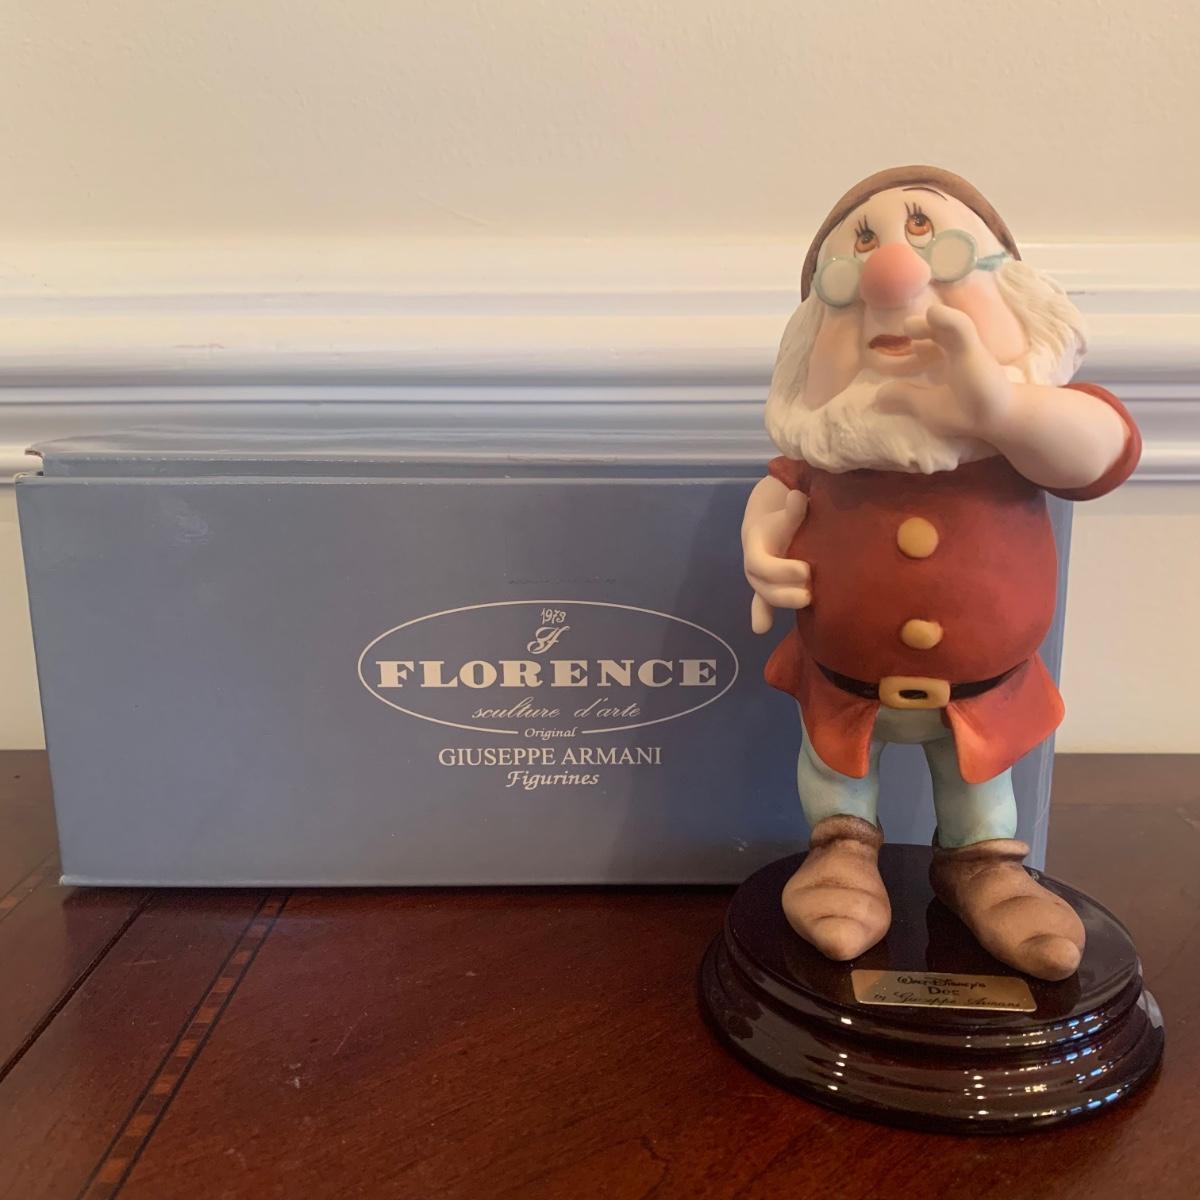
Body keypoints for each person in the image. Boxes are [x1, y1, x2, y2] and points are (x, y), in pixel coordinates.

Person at [743, 165, 1140, 980]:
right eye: (851, 281)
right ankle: (840, 854)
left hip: (984, 690)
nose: (895, 281)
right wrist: (761, 538)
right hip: (842, 683)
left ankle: (982, 866)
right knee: (834, 770)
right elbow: (780, 490)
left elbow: (1102, 449)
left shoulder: (1027, 436)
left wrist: (1001, 408)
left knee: (979, 784)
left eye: (941, 254)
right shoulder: (833, 448)